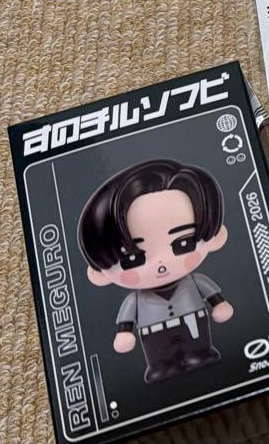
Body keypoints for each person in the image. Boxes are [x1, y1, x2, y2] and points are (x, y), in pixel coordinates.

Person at [78, 160, 234, 384]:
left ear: (215, 237)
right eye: (133, 258)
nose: (161, 263)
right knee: (160, 362)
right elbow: (126, 321)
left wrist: (219, 304)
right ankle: (161, 366)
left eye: (183, 243)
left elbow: (213, 296)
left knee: (199, 348)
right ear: (100, 273)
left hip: (193, 324)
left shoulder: (195, 281)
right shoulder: (136, 300)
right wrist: (124, 333)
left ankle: (200, 353)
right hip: (155, 336)